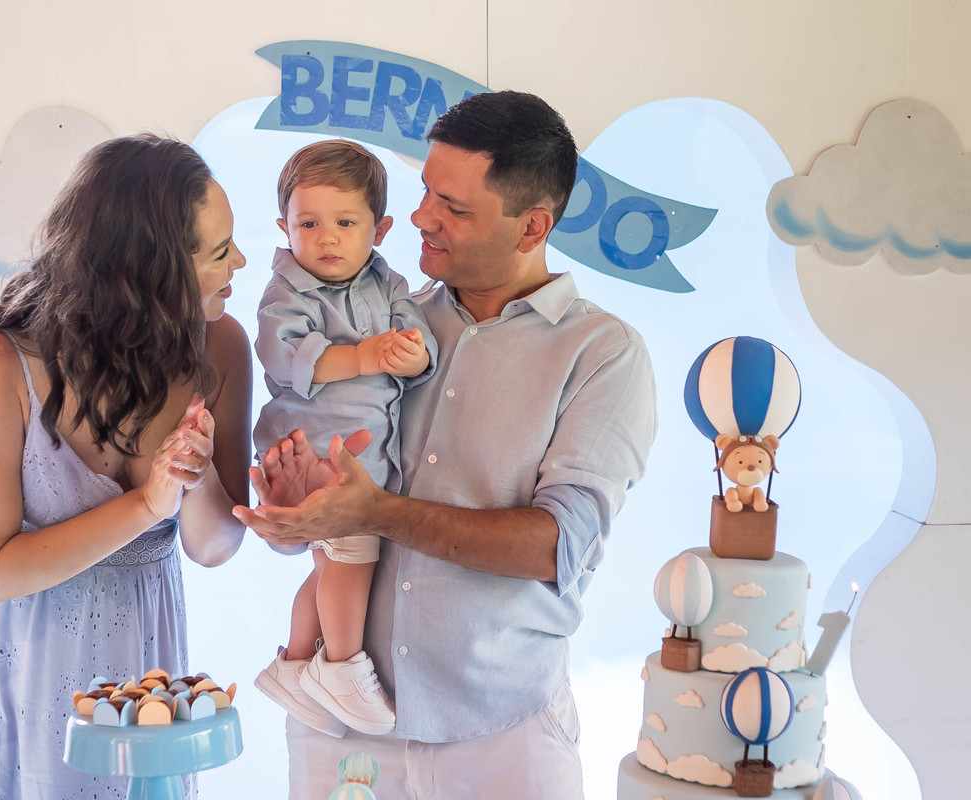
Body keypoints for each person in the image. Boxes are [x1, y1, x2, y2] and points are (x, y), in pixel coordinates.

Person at [234, 91, 658, 799]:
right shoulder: (379, 325)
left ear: (533, 226)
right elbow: (320, 529)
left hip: (502, 733)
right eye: (427, 191)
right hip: (345, 730)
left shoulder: (602, 353)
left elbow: (555, 547)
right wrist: (297, 504)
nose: (422, 217)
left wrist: (373, 513)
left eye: (453, 207)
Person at [0, 135, 252, 800]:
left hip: (140, 668)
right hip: (10, 668)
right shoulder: (1, 358)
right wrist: (146, 505)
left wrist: (193, 475)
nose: (240, 262)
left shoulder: (221, 343)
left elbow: (216, 546)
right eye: (219, 252)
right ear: (148, 273)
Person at [252, 140, 436, 739]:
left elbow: (418, 337)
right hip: (311, 453)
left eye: (345, 223)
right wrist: (362, 356)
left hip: (363, 452)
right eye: (308, 224)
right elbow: (283, 357)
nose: (326, 238)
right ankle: (341, 665)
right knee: (353, 559)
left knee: (330, 564)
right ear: (285, 228)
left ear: (379, 230)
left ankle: (294, 663)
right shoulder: (288, 291)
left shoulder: (389, 283)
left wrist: (413, 355)